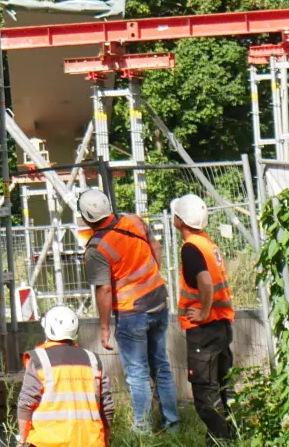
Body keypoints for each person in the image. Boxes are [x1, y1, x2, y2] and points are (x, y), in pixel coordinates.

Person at [78, 188, 180, 434]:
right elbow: (155, 248)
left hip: (132, 313)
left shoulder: (96, 248)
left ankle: (143, 429)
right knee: (161, 366)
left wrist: (104, 328)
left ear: (87, 216)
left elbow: (103, 290)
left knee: (137, 373)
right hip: (158, 300)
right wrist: (153, 276)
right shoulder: (134, 220)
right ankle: (173, 424)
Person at [172, 193, 237, 444]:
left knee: (205, 390)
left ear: (179, 220)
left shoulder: (191, 248)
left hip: (205, 328)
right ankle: (228, 436)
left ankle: (220, 440)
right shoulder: (207, 243)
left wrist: (203, 311)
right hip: (221, 325)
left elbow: (205, 282)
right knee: (222, 384)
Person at [16, 304, 115, 447]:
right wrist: (104, 441)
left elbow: (25, 404)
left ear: (47, 328)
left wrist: (23, 441)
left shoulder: (39, 360)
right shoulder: (93, 360)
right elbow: (107, 408)